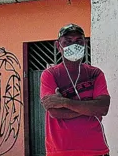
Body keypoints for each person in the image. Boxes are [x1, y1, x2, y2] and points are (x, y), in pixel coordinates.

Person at [40, 24, 110, 156]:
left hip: (95, 149)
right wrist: (89, 107)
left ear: (85, 43)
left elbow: (102, 108)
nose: (74, 45)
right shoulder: (50, 74)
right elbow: (55, 112)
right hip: (60, 150)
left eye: (79, 41)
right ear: (58, 45)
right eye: (68, 41)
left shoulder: (95, 74)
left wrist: (65, 102)